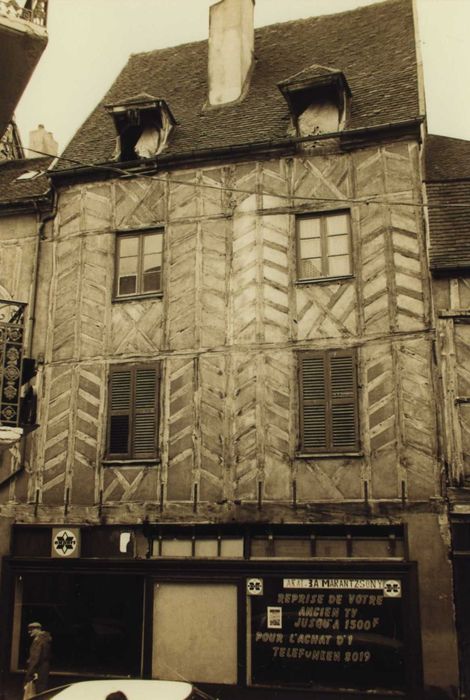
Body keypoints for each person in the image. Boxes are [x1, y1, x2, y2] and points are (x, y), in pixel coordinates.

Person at [24, 622, 52, 695]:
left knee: (38, 692)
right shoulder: (43, 639)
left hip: (38, 670)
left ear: (38, 629)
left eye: (31, 630)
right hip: (42, 669)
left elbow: (35, 658)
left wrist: (29, 674)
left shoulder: (40, 640)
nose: (29, 632)